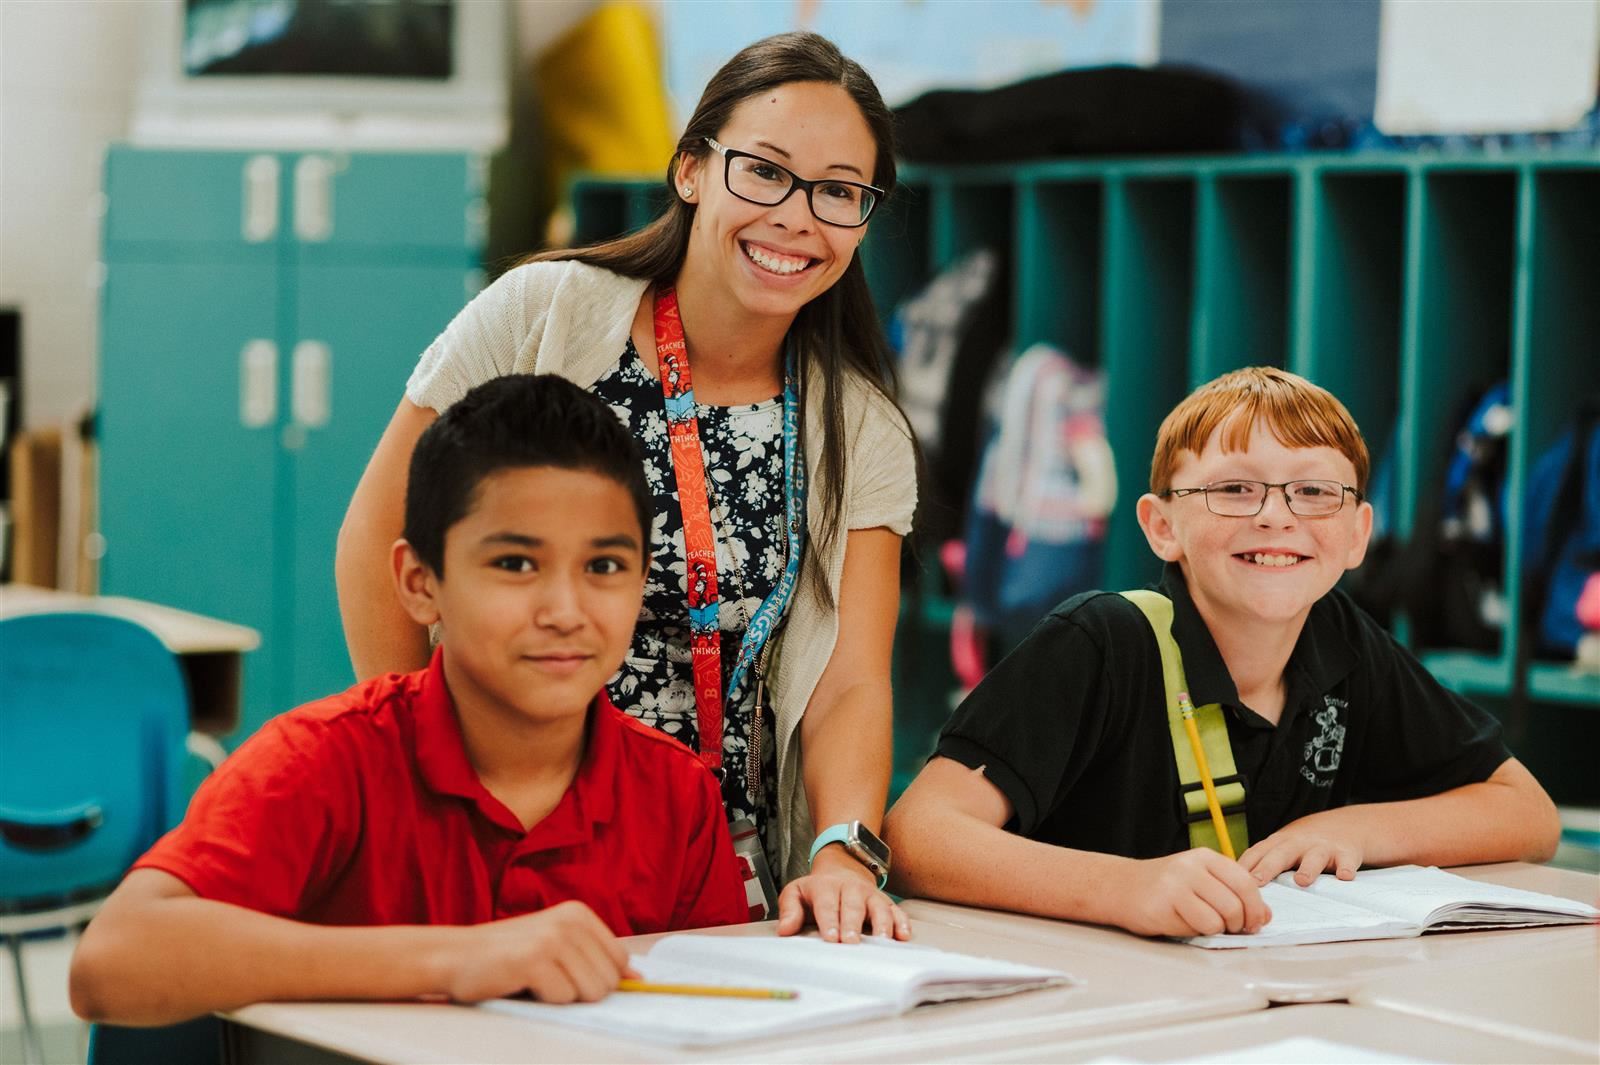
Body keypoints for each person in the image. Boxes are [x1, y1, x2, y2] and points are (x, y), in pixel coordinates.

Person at [336, 32, 915, 943]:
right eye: (764, 172)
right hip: (509, 845)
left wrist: (843, 847)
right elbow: (380, 539)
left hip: (723, 878)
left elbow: (850, 681)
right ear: (691, 169)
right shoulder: (545, 312)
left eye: (840, 191)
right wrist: (429, 784)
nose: (799, 217)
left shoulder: (859, 424)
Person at [70, 375, 748, 1025]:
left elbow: (722, 1014)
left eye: (604, 566)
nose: (565, 611)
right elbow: (113, 960)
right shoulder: (324, 760)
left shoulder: (676, 795)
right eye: (515, 563)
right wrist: (456, 956)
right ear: (421, 583)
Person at [883, 367, 1561, 939]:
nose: (1276, 515)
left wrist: (1355, 827)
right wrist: (1124, 888)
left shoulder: (1346, 642)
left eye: (1314, 491)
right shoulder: (1101, 641)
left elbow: (1527, 814)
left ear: (1357, 535)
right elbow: (919, 835)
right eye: (1235, 488)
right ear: (1162, 526)